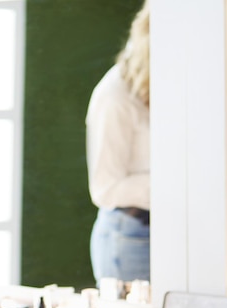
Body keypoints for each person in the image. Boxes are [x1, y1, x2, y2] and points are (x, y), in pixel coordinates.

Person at [85, 1, 150, 287]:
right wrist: (180, 184)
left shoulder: (169, 87)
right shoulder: (116, 96)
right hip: (130, 238)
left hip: (169, 228)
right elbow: (105, 188)